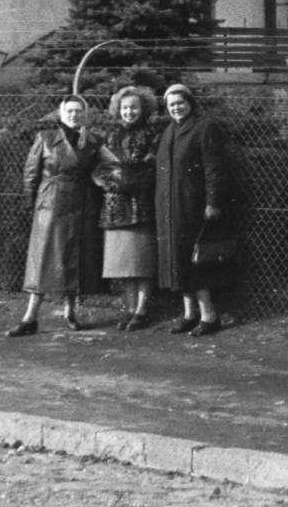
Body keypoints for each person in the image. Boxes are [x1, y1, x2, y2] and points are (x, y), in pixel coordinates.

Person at [8, 95, 103, 336]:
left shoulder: (92, 142)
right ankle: (30, 317)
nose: (74, 115)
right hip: (50, 204)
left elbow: (107, 167)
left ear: (85, 115)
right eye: (69, 111)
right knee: (43, 260)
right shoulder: (46, 138)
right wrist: (32, 204)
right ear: (61, 114)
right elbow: (31, 173)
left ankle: (70, 312)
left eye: (78, 111)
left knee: (74, 257)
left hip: (81, 204)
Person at [155, 83, 233, 336]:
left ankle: (209, 316)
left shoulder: (204, 127)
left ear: (190, 102)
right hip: (169, 205)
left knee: (195, 261)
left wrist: (213, 202)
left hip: (193, 205)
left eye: (180, 103)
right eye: (171, 105)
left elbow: (214, 168)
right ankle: (189, 314)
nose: (176, 108)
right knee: (177, 261)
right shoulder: (169, 131)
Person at [94, 85, 161, 331]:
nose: (129, 112)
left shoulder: (153, 134)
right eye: (125, 107)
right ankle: (130, 309)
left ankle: (142, 311)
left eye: (134, 107)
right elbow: (99, 171)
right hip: (115, 208)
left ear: (143, 109)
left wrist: (121, 175)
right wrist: (115, 177)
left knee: (142, 262)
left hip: (141, 207)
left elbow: (150, 168)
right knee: (123, 264)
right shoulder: (110, 136)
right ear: (118, 110)